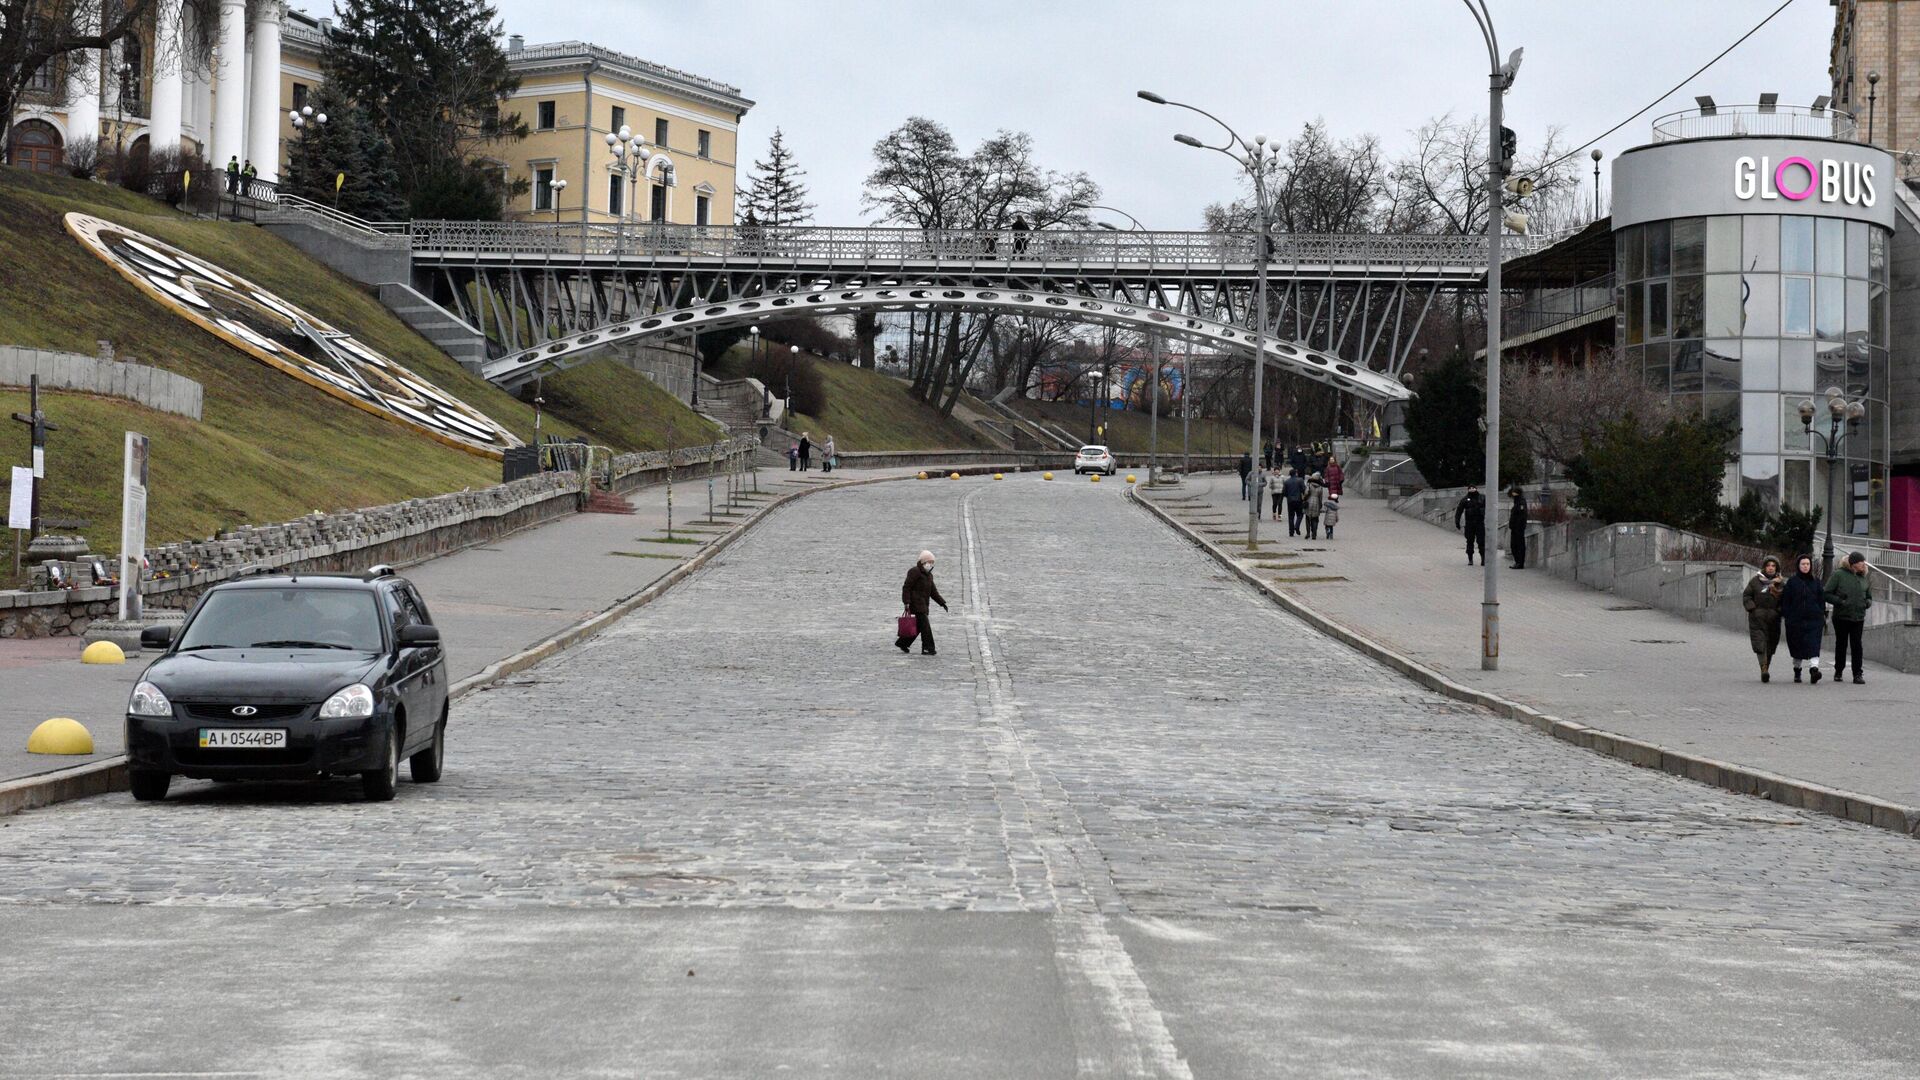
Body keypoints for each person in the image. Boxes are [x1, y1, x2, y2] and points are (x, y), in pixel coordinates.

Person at [1824, 551, 1873, 684]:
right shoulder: (1839, 575)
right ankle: (1838, 671)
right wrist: (1840, 601)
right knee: (1841, 644)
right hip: (1842, 616)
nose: (1863, 564)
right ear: (1853, 564)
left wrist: (1867, 603)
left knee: (1857, 645)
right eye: (1860, 562)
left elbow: (1869, 596)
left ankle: (1857, 674)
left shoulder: (1864, 578)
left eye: (1863, 562)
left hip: (1858, 617)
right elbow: (1826, 593)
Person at [1780, 554, 1828, 683]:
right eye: (1803, 564)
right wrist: (1788, 615)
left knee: (1814, 645)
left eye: (1808, 564)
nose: (1806, 566)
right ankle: (1797, 670)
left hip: (1814, 620)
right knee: (1797, 647)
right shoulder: (1792, 582)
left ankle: (1814, 670)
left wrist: (1820, 612)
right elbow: (1786, 601)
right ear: (1798, 566)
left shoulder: (1816, 582)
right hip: (1795, 621)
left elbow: (1821, 599)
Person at [896, 550, 948, 656]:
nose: (931, 564)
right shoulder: (914, 571)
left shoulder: (929, 575)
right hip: (915, 605)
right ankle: (928, 648)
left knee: (918, 626)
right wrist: (906, 602)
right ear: (923, 562)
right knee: (926, 628)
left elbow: (933, 592)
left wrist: (942, 603)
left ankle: (902, 643)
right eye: (929, 562)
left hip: (924, 605)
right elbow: (906, 587)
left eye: (932, 562)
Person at [1741, 557, 1785, 683]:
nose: (1771, 568)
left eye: (1773, 566)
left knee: (1770, 645)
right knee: (1760, 644)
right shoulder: (1755, 581)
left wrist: (1779, 611)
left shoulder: (1781, 583)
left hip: (1773, 619)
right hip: (1757, 618)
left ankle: (1766, 666)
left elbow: (1786, 600)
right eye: (1768, 565)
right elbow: (1747, 596)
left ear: (1776, 568)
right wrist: (1752, 609)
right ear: (1764, 567)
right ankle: (1763, 669)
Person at [1455, 485, 1486, 565]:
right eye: (1470, 488)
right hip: (1469, 523)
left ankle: (1483, 559)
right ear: (1468, 490)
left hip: (1480, 523)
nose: (1472, 489)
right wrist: (1457, 521)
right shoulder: (1465, 499)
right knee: (1469, 541)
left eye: (1473, 488)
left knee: (1481, 542)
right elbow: (1459, 510)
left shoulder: (1482, 498)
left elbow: (1489, 508)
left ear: (1476, 489)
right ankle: (1470, 559)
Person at [1507, 486, 1529, 569]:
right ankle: (1517, 562)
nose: (1513, 494)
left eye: (1514, 492)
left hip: (1518, 528)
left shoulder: (1521, 502)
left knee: (1518, 545)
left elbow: (1522, 515)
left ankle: (1519, 563)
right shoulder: (1517, 502)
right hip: (1514, 528)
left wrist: (1518, 526)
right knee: (1513, 545)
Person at [1282, 468, 1307, 537]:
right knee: (1300, 514)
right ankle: (1297, 525)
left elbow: (1284, 492)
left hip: (1290, 501)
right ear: (1296, 473)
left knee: (1291, 517)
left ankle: (1291, 532)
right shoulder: (1300, 480)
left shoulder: (1287, 482)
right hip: (1299, 500)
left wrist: (1288, 496)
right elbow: (1304, 489)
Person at [1303, 474, 1327, 540]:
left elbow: (1306, 493)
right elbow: (1320, 497)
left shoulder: (1309, 485)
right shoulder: (1320, 487)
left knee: (1307, 518)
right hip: (1316, 502)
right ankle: (1314, 534)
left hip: (1309, 501)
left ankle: (1308, 533)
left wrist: (1304, 498)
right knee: (1315, 519)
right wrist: (1320, 505)